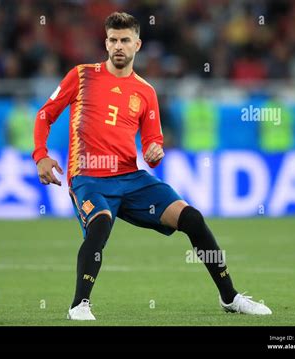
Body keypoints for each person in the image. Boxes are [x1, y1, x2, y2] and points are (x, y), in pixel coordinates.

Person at [32, 12, 272, 320]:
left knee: (193, 219)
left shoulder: (145, 91)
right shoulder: (81, 76)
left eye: (125, 40)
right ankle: (79, 304)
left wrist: (155, 152)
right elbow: (45, 115)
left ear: (137, 44)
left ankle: (231, 297)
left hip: (131, 178)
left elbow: (151, 145)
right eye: (113, 40)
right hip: (88, 177)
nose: (119, 46)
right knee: (101, 223)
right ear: (106, 43)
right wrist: (40, 155)